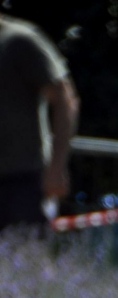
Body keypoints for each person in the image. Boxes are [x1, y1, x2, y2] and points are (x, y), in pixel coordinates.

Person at [0, 16, 79, 233]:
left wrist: (57, 166)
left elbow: (64, 99)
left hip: (20, 182)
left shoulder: (18, 40)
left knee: (21, 260)